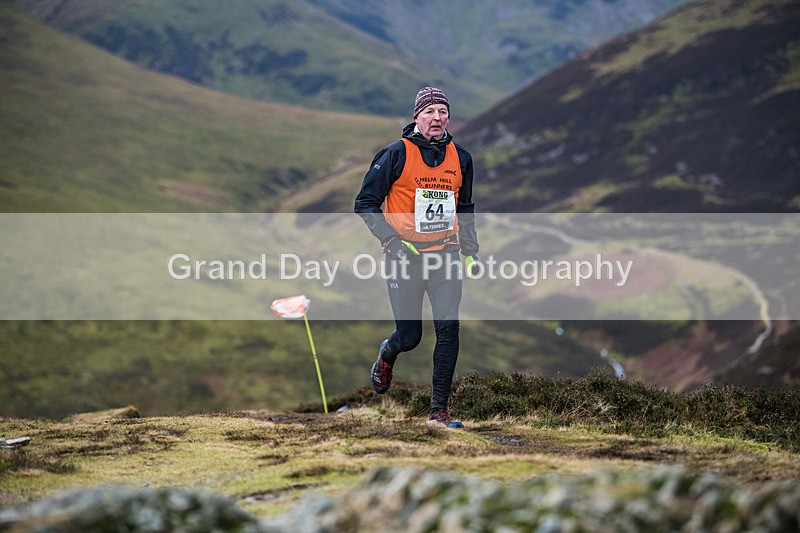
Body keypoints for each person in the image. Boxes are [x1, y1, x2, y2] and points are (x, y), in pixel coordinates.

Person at [354, 86, 479, 428]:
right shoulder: (395, 154)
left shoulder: (462, 158)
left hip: (446, 255)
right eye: (430, 112)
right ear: (417, 117)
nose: (437, 118)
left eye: (443, 112)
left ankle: (439, 412)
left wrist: (469, 249)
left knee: (449, 331)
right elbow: (364, 203)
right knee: (410, 337)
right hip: (404, 256)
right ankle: (388, 353)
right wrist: (391, 241)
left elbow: (465, 207)